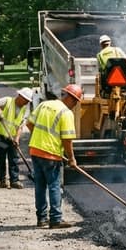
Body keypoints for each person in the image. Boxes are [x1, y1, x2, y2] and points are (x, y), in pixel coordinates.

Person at [26, 83, 81, 229]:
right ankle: (56, 219)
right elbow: (67, 140)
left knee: (40, 185)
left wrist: (39, 138)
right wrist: (72, 159)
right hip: (51, 155)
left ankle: (41, 219)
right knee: (54, 186)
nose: (75, 105)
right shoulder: (66, 113)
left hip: (35, 151)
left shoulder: (45, 105)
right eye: (75, 101)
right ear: (70, 98)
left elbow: (29, 124)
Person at [0, 87, 34, 189]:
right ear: (20, 96)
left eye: (28, 101)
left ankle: (14, 180)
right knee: (0, 159)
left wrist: (17, 138)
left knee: (14, 159)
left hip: (12, 137)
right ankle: (2, 180)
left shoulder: (24, 109)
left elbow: (20, 126)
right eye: (26, 100)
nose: (27, 102)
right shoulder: (7, 101)